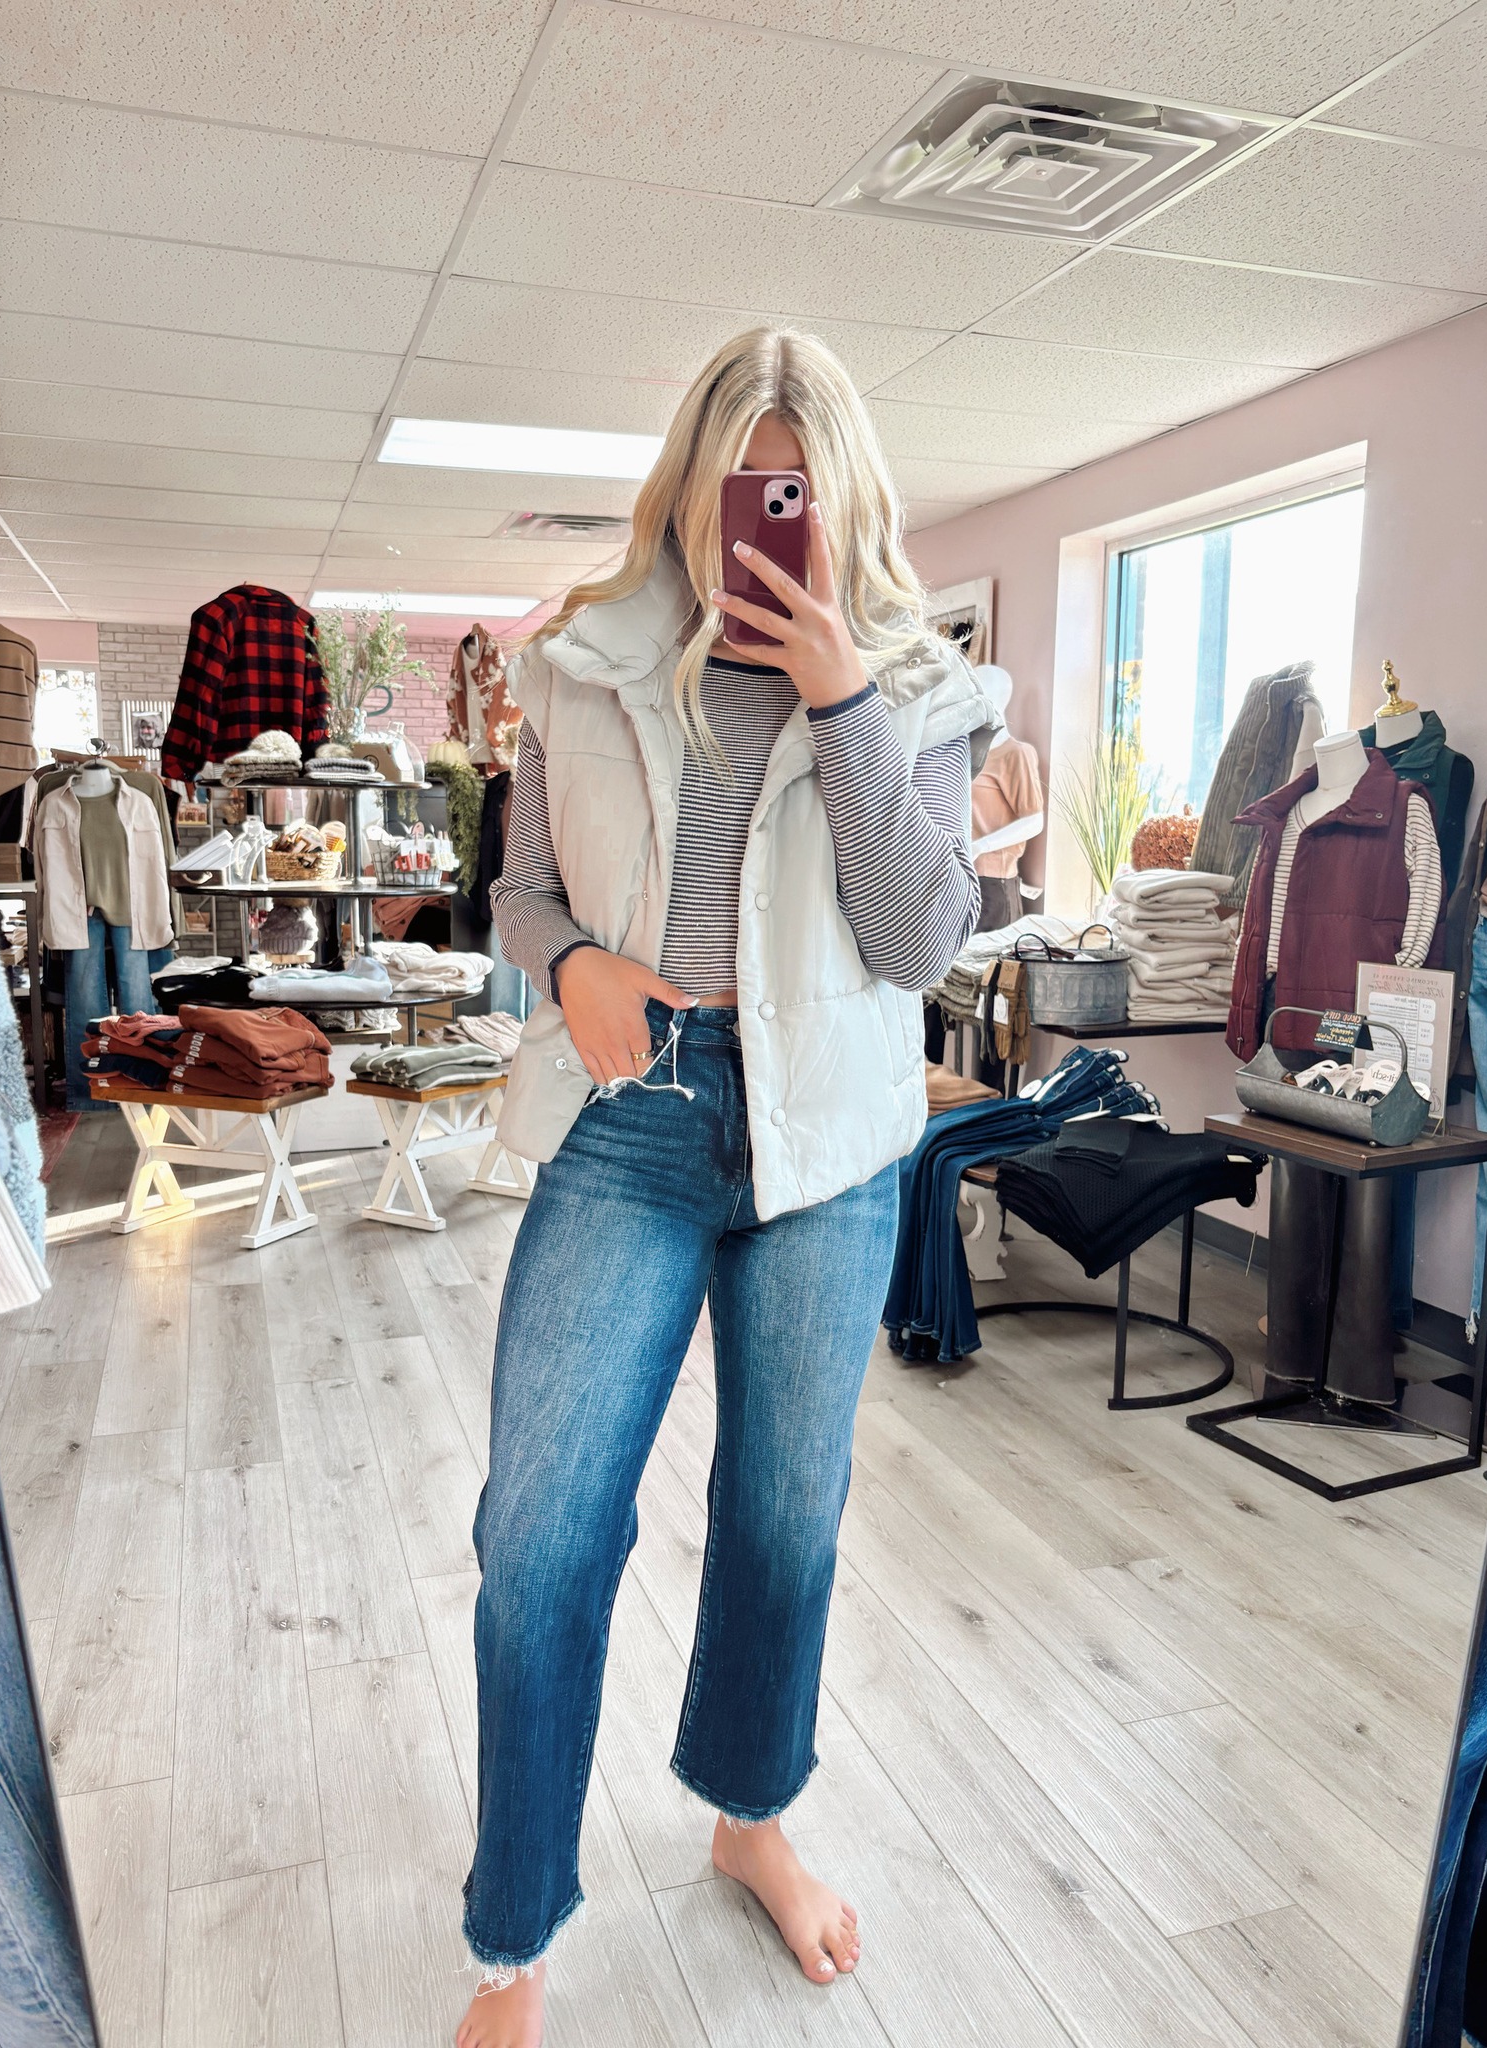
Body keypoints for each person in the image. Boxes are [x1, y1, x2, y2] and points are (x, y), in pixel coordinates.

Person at [457, 327, 998, 2048]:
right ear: (687, 487)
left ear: (841, 502)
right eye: (734, 483)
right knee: (540, 1534)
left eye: (794, 489)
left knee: (784, 1518)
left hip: (826, 1138)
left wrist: (843, 698)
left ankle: (751, 1818)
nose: (759, 516)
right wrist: (573, 971)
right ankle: (515, 1942)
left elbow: (918, 940)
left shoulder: (919, 687)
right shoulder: (579, 663)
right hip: (633, 1112)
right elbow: (518, 896)